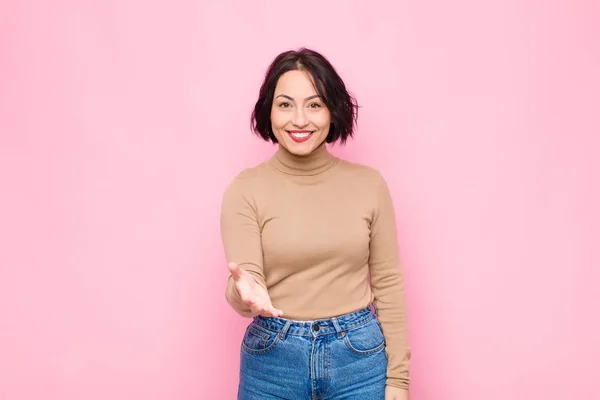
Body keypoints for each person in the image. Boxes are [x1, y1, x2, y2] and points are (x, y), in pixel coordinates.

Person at [220, 48, 411, 400]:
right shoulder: (245, 190)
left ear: (333, 111)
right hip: (273, 362)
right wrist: (244, 294)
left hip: (359, 361)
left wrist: (398, 379)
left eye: (314, 104)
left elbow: (388, 282)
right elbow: (245, 282)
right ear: (269, 110)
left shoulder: (369, 185)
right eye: (285, 104)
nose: (299, 120)